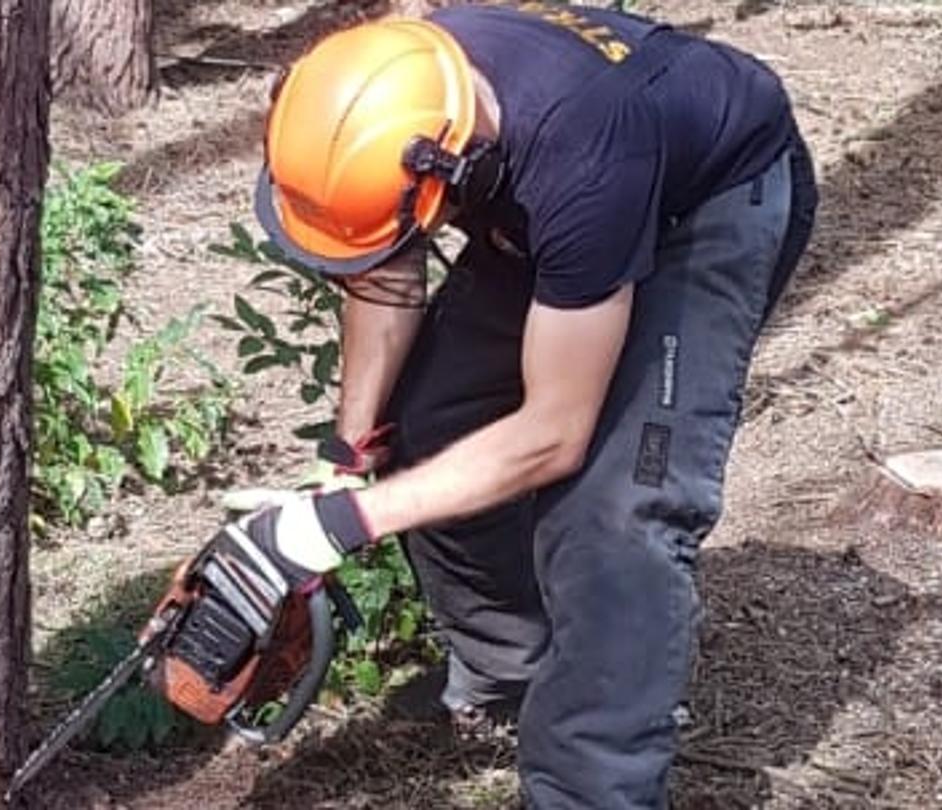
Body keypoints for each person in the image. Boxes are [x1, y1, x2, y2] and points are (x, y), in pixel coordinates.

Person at [193, 3, 817, 807]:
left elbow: (552, 434)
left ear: (463, 173)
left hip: (705, 203)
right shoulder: (397, 98)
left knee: (618, 520)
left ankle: (593, 787)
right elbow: (386, 270)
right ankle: (514, 675)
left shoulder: (586, 149)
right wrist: (345, 466)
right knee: (432, 431)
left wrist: (346, 528)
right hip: (558, 206)